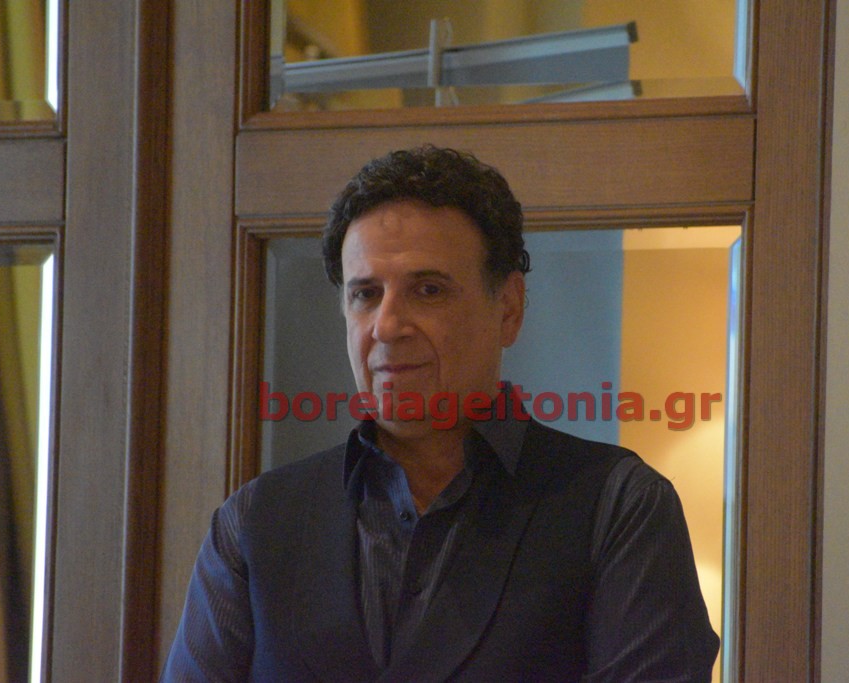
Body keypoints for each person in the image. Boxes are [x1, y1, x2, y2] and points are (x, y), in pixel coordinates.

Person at [162, 146, 719, 681]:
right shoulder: (254, 524)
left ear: (508, 308)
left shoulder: (618, 508)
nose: (386, 325)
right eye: (365, 294)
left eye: (427, 290)